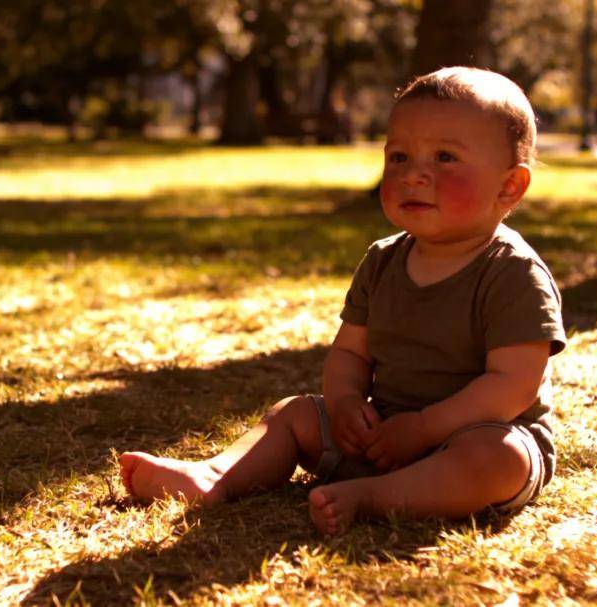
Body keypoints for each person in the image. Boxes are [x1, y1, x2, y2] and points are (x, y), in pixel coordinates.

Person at [119, 67, 567, 535]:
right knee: (293, 414)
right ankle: (216, 476)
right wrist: (347, 402)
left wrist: (424, 428)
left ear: (509, 186)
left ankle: (373, 497)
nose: (414, 174)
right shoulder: (382, 261)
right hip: (382, 432)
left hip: (477, 433)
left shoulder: (513, 272)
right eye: (399, 157)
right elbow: (351, 352)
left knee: (496, 460)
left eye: (445, 157)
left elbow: (512, 385)